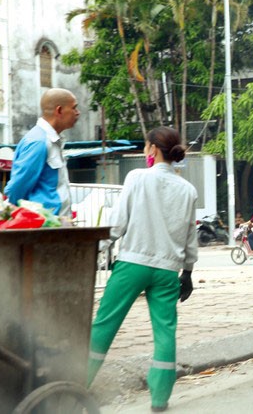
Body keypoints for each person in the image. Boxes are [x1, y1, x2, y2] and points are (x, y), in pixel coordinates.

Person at [87, 127, 198, 412]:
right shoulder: (188, 189)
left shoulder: (137, 178)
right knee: (165, 332)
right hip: (167, 270)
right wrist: (187, 272)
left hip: (133, 263)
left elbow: (117, 224)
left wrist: (94, 250)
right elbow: (189, 236)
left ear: (151, 149)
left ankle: (77, 384)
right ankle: (160, 398)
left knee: (104, 324)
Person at [4, 88, 80, 217]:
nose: (77, 113)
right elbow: (16, 189)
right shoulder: (38, 142)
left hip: (57, 225)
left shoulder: (51, 140)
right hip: (44, 228)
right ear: (59, 110)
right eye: (74, 108)